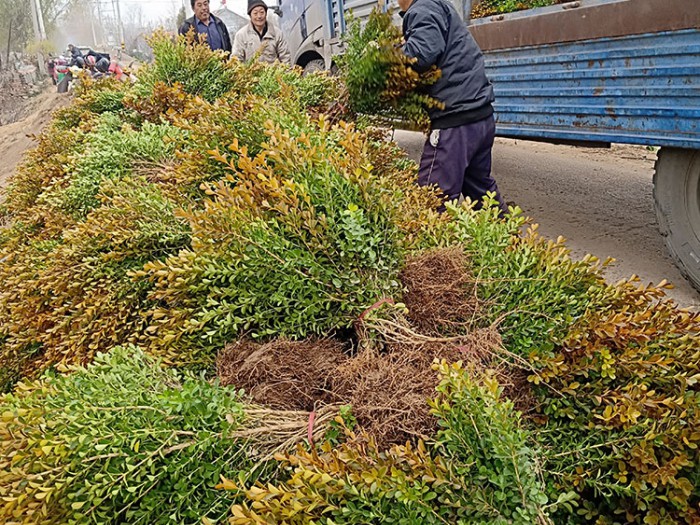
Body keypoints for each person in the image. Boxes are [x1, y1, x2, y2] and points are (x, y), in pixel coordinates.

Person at [399, 0, 507, 214]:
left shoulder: (422, 9)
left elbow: (421, 54)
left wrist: (387, 57)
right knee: (481, 192)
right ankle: (510, 242)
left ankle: (432, 247)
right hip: (479, 117)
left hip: (456, 121)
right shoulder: (437, 6)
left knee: (431, 200)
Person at [232, 0, 290, 65]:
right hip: (251, 74)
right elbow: (236, 59)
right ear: (250, 15)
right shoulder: (241, 35)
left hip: (274, 74)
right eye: (255, 13)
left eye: (262, 12)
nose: (259, 16)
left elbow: (285, 58)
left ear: (266, 13)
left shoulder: (277, 33)